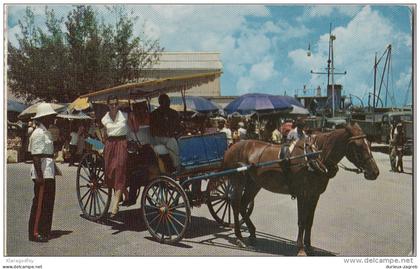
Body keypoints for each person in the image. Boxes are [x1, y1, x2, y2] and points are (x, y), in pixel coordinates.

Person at [28, 103, 58, 242]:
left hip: (49, 170)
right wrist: (39, 176)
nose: (52, 118)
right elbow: (35, 156)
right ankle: (35, 232)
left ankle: (45, 230)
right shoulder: (38, 133)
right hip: (42, 173)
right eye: (50, 116)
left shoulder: (46, 132)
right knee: (39, 203)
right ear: (44, 117)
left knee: (48, 202)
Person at [101, 95, 129, 217]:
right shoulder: (104, 119)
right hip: (110, 144)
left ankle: (115, 204)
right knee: (109, 171)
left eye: (115, 104)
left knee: (119, 168)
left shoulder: (125, 116)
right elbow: (103, 134)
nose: (113, 106)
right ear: (107, 105)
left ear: (118, 104)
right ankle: (124, 192)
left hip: (122, 143)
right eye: (111, 104)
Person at [150, 94, 182, 171]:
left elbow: (179, 127)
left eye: (168, 101)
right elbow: (153, 131)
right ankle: (178, 166)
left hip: (172, 136)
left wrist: (177, 133)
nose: (167, 103)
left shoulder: (174, 113)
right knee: (172, 141)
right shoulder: (154, 114)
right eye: (165, 102)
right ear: (160, 102)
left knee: (183, 140)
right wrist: (165, 134)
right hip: (159, 138)